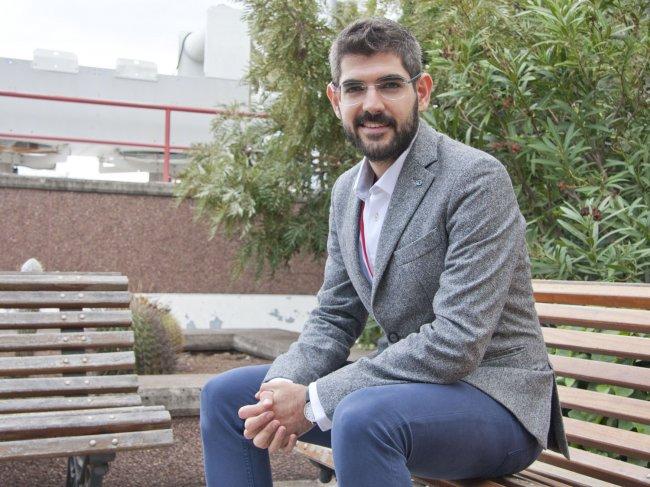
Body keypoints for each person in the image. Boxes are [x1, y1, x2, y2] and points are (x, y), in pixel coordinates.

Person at [200, 17, 570, 486]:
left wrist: (313, 400)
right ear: (336, 100)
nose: (372, 104)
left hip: (496, 401)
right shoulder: (345, 193)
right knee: (224, 397)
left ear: (423, 90)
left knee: (360, 417)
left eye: (390, 85)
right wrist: (281, 388)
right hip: (404, 395)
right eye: (355, 88)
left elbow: (457, 341)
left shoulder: (475, 179)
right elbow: (334, 318)